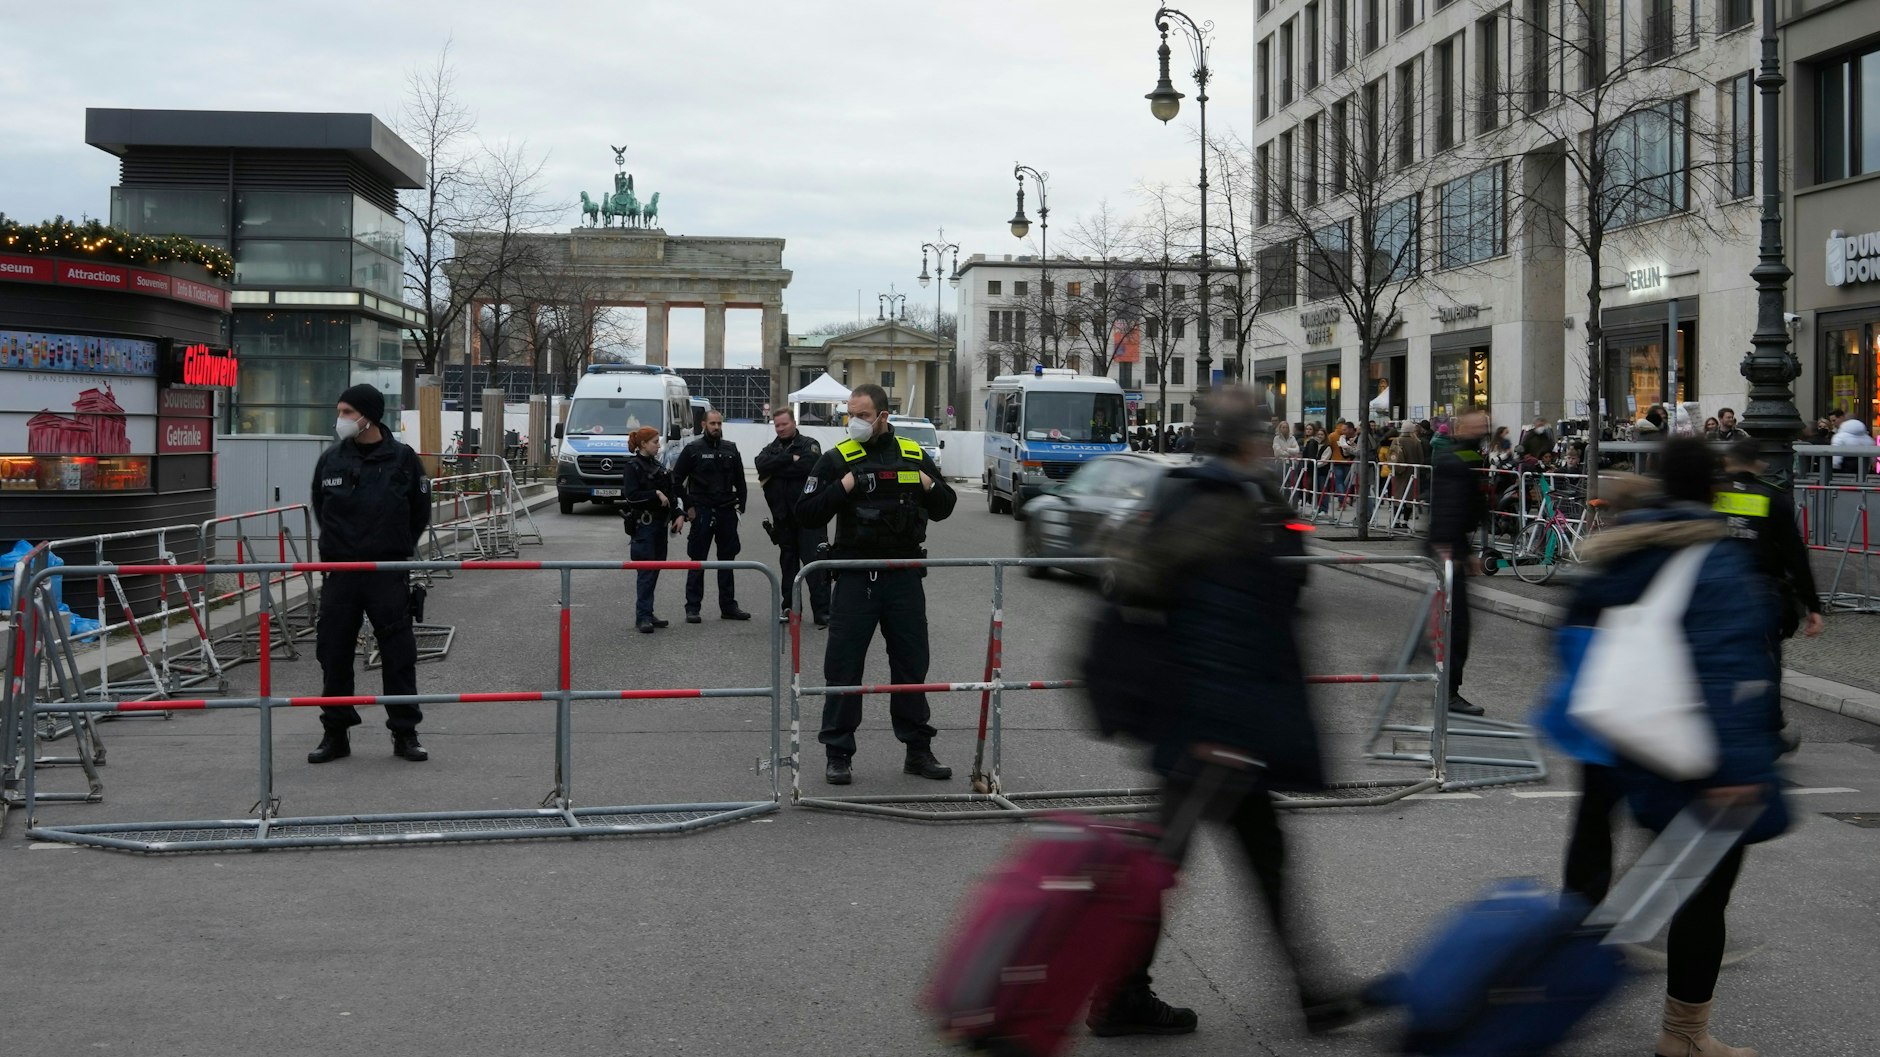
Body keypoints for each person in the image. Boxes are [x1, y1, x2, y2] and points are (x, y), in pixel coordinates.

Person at [1087, 387, 1364, 1040]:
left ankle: (1312, 990)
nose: (1268, 447)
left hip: (1212, 721)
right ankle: (1115, 994)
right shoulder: (1225, 510)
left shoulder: (1196, 497)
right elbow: (1225, 628)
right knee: (1162, 864)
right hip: (1214, 727)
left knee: (1260, 858)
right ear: (1247, 442)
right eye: (1262, 437)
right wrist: (1218, 731)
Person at [1555, 438, 1789, 1057]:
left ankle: (1557, 977)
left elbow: (1568, 632)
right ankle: (1684, 1033)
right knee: (1704, 890)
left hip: (1613, 732)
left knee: (1592, 848)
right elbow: (1727, 666)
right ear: (1714, 489)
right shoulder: (1715, 559)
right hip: (1682, 742)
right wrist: (1739, 768)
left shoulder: (1620, 549)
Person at [795, 383, 957, 785]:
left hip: (902, 576)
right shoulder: (839, 459)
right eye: (850, 414)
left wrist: (926, 483)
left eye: (863, 415)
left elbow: (946, 507)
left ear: (884, 417)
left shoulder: (912, 454)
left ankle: (917, 751)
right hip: (854, 576)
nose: (855, 422)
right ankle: (838, 753)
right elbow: (806, 511)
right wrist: (845, 487)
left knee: (911, 665)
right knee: (844, 666)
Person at [307, 383, 431, 764]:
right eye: (340, 411)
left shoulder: (403, 460)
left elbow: (419, 512)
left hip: (386, 572)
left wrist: (395, 549)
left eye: (347, 412)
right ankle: (336, 732)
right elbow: (319, 505)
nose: (340, 419)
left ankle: (405, 733)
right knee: (333, 653)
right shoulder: (331, 460)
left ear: (368, 416)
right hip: (341, 573)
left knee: (398, 654)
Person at [1428, 408, 1490, 715]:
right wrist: (1455, 552)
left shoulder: (1466, 456)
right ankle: (1448, 691)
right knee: (1455, 624)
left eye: (1486, 424)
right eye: (1478, 423)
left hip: (1453, 546)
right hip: (1449, 548)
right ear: (1461, 426)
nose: (1483, 427)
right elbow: (1449, 508)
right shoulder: (1455, 459)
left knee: (1448, 620)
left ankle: (1438, 679)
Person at [672, 410, 752, 622]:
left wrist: (740, 507)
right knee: (697, 561)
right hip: (702, 511)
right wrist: (688, 506)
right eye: (712, 423)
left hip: (726, 511)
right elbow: (675, 480)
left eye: (719, 423)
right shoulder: (692, 449)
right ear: (704, 424)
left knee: (727, 561)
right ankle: (692, 607)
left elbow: (741, 481)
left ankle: (728, 607)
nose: (716, 427)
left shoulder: (731, 449)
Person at [753, 409, 831, 627]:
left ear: (794, 422)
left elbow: (809, 465)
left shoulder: (809, 444)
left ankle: (823, 611)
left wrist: (778, 468)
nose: (780, 428)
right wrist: (788, 459)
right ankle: (790, 609)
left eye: (784, 424)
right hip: (783, 518)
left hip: (809, 517)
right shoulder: (771, 449)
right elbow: (760, 464)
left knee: (815, 565)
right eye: (777, 425)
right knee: (788, 566)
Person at [622, 427, 683, 634]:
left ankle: (648, 611)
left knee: (655, 569)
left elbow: (671, 493)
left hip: (660, 526)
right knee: (646, 571)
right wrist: (654, 493)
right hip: (644, 527)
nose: (659, 445)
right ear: (643, 444)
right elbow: (631, 496)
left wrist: (678, 514)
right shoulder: (633, 466)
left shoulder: (657, 465)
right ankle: (643, 617)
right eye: (655, 442)